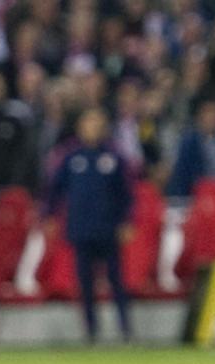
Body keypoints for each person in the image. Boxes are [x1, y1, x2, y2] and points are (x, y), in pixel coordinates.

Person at [47, 107, 133, 343]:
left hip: (108, 228)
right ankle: (91, 330)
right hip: (81, 229)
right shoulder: (70, 157)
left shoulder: (114, 157)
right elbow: (54, 191)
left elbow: (126, 194)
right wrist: (51, 216)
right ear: (80, 127)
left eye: (98, 122)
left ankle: (125, 328)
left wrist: (126, 221)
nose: (93, 127)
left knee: (116, 280)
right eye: (89, 122)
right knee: (85, 283)